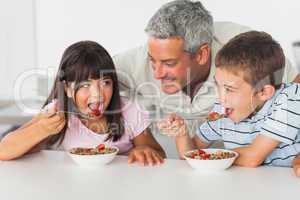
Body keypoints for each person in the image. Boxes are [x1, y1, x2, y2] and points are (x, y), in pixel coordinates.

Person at [113, 0, 300, 134]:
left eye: (169, 63)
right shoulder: (134, 62)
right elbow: (88, 77)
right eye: (152, 60)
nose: (158, 73)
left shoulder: (244, 47)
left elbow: (296, 86)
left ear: (202, 54)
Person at [0, 41, 166, 166]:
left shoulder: (128, 110)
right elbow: (4, 151)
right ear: (68, 89)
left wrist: (143, 151)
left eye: (105, 82)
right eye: (85, 85)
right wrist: (41, 129)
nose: (98, 94)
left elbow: (159, 153)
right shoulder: (58, 112)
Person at [158, 31, 300, 169]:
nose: (220, 97)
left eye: (229, 89)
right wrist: (182, 135)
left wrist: (210, 157)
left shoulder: (289, 99)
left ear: (263, 92)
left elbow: (252, 158)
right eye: (217, 85)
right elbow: (191, 155)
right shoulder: (222, 108)